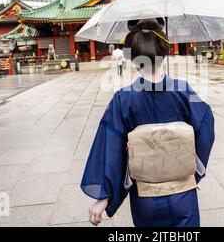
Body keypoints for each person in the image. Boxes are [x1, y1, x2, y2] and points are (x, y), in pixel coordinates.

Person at [81, 18, 215, 227]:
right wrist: (195, 170)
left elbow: (110, 148)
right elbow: (206, 127)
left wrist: (104, 197)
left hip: (146, 198)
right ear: (164, 52)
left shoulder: (123, 99)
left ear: (134, 58)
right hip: (183, 195)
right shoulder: (184, 90)